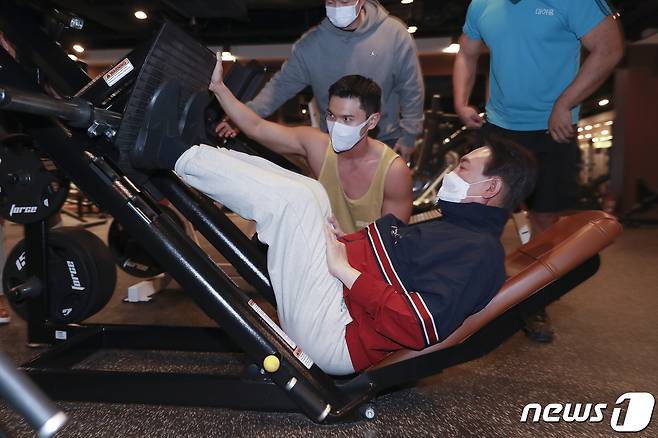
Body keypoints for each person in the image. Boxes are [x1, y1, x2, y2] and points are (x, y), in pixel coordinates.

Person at [129, 58, 537, 374]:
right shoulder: (460, 230)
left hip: (339, 333)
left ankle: (167, 152)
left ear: (489, 190)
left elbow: (418, 325)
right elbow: (397, 264)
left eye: (464, 168)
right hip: (339, 300)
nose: (453, 172)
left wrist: (347, 272)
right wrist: (347, 244)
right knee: (309, 191)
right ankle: (193, 151)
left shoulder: (480, 254)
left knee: (297, 201)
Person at [453, 0, 624, 342]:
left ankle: (532, 300)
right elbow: (466, 53)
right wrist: (461, 101)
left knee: (545, 221)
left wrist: (566, 103)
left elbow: (609, 48)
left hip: (551, 130)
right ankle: (468, 296)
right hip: (499, 129)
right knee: (478, 215)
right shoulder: (483, 4)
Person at [216, 0, 425, 161]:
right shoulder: (311, 45)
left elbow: (411, 89)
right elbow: (279, 87)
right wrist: (242, 116)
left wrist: (409, 136)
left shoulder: (394, 34)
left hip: (384, 140)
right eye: (331, 2)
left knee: (383, 210)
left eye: (343, 2)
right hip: (334, 144)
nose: (337, 7)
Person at [212, 71, 412, 234]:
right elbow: (256, 127)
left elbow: (391, 243)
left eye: (347, 119)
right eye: (332, 115)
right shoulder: (318, 147)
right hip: (323, 262)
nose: (336, 125)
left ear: (372, 121)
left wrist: (349, 246)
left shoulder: (393, 171)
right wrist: (219, 88)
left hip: (368, 268)